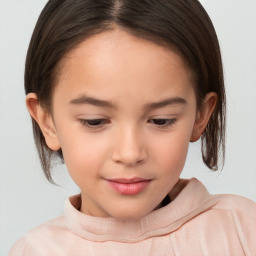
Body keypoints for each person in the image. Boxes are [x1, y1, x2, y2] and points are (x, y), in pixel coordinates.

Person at [9, 0, 256, 255]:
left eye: (161, 120)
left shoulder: (244, 232)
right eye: (94, 121)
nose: (129, 153)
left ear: (200, 116)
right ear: (47, 121)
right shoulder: (34, 251)